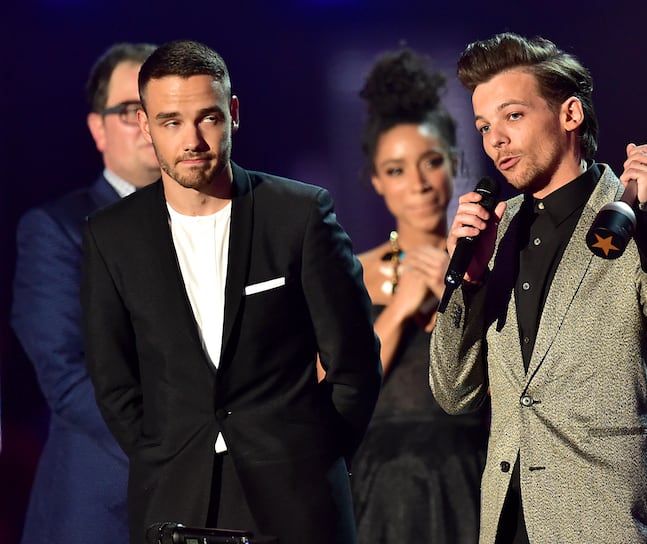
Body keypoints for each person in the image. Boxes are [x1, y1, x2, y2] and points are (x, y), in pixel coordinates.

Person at [80, 40, 382, 544]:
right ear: (148, 125)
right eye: (171, 121)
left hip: (297, 504)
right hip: (175, 503)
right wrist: (168, 455)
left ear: (233, 113)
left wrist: (312, 457)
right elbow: (113, 382)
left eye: (208, 118)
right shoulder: (111, 236)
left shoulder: (298, 213)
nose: (192, 139)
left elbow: (353, 363)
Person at [429, 32, 647, 543]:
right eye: (484, 126)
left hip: (603, 522)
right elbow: (454, 393)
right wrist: (469, 282)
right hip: (506, 523)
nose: (495, 140)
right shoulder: (494, 232)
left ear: (570, 115)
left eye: (512, 116)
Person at [10, 42, 159, 544]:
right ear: (98, 128)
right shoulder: (57, 229)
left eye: (161, 109)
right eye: (130, 110)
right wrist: (185, 443)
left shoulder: (225, 222)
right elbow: (66, 376)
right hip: (106, 507)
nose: (147, 123)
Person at [347, 49, 487, 543]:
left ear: (454, 162)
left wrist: (465, 291)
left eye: (431, 162)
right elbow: (334, 396)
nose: (420, 184)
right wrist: (402, 306)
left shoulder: (487, 267)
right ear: (376, 181)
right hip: (382, 495)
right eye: (398, 169)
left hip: (474, 482)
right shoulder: (351, 274)